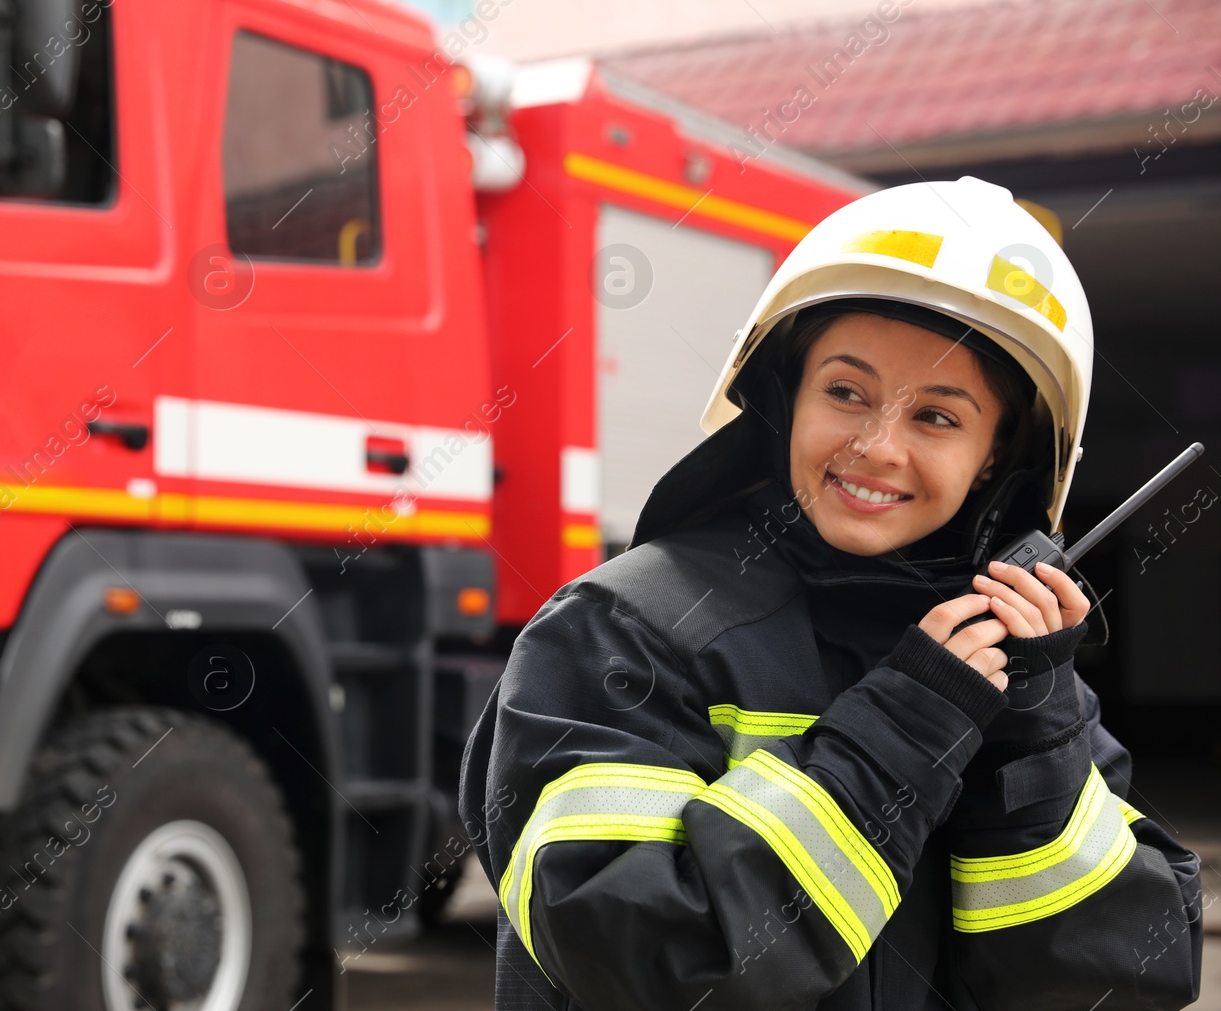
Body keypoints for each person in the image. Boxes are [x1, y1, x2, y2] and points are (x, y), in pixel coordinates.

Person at [458, 176, 1204, 1010]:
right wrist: (897, 737)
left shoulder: (1010, 677)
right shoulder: (620, 631)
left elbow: (1122, 979)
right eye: (846, 392)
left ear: (996, 456)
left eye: (938, 417)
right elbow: (641, 963)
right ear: (786, 395)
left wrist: (1032, 751)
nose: (878, 446)